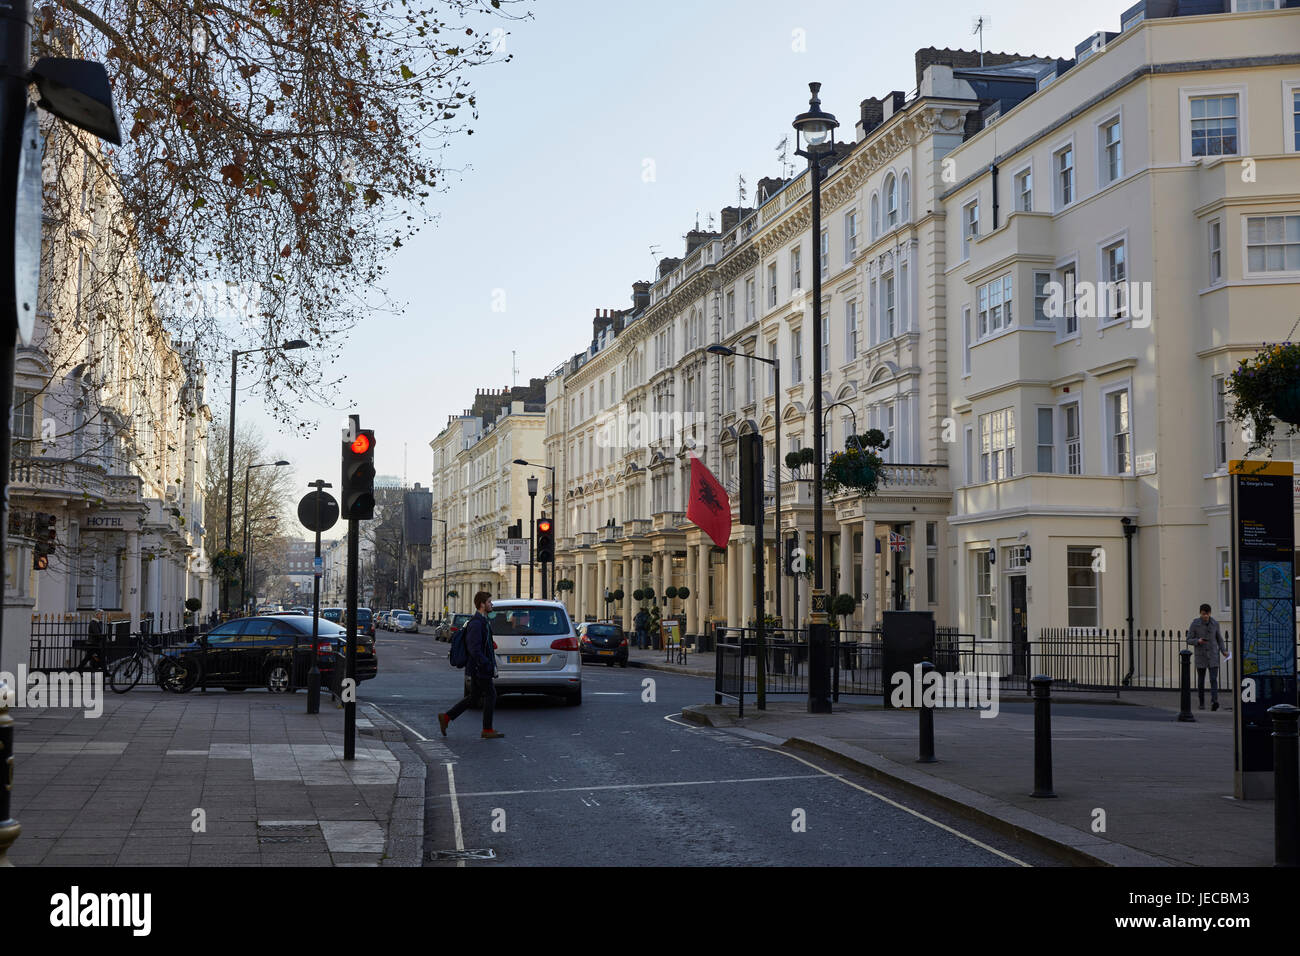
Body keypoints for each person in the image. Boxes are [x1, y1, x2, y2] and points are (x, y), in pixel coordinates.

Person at [438, 591, 505, 739]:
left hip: (478, 666)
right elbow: (474, 648)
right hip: (479, 667)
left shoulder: (482, 621)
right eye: (489, 602)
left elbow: (481, 643)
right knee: (491, 694)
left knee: (474, 697)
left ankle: (447, 717)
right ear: (482, 604)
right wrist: (485, 663)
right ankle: (487, 730)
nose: (491, 604)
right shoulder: (476, 623)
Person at [1187, 602, 1227, 711]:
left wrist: (1223, 651)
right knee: (1201, 681)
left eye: (1207, 614)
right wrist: (1197, 641)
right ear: (1200, 613)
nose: (1205, 616)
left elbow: (1219, 639)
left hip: (1213, 655)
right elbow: (1188, 639)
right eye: (1203, 614)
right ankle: (1201, 703)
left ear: (1210, 613)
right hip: (1201, 656)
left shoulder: (1215, 624)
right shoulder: (1195, 624)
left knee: (1213, 679)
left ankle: (1214, 701)